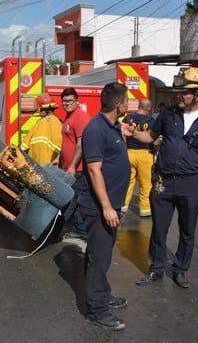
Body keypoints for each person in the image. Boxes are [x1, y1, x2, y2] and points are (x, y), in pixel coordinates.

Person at [129, 67, 198, 289]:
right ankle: (155, 269)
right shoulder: (167, 114)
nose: (179, 96)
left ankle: (181, 269)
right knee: (159, 227)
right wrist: (134, 133)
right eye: (179, 91)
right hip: (164, 181)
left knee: (187, 230)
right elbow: (151, 136)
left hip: (191, 183)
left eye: (184, 92)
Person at [80, 82, 131, 331]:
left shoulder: (111, 126)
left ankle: (101, 293)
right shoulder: (95, 129)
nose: (129, 103)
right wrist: (107, 207)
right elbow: (93, 170)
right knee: (99, 257)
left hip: (110, 204)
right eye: (127, 100)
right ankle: (97, 309)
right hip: (99, 207)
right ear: (119, 104)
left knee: (102, 254)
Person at [52, 87, 89, 240]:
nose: (67, 103)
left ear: (77, 101)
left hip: (77, 169)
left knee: (68, 201)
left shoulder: (80, 117)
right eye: (64, 101)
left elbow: (81, 143)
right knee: (75, 200)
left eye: (70, 101)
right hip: (67, 167)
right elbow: (67, 142)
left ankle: (54, 233)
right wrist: (58, 158)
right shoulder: (68, 117)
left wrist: (73, 165)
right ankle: (81, 230)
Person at [121, 99, 155, 217]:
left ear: (139, 106)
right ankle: (145, 209)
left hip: (129, 153)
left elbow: (122, 134)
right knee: (146, 183)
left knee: (128, 181)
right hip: (146, 155)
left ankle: (123, 205)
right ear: (148, 109)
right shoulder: (151, 121)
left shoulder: (128, 119)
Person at [20, 93, 62, 166]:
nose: (39, 113)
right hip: (50, 166)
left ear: (47, 110)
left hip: (37, 165)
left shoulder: (39, 123)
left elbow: (24, 146)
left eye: (41, 110)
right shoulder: (58, 123)